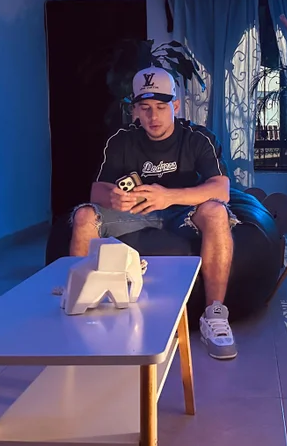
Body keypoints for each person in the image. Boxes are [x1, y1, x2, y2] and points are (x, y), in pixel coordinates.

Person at [69, 66, 239, 360]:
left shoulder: (198, 138)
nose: (153, 116)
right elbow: (96, 191)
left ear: (176, 106)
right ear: (135, 110)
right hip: (134, 214)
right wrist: (113, 197)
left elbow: (221, 188)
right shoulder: (121, 140)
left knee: (216, 211)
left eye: (161, 107)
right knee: (84, 216)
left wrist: (168, 196)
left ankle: (214, 314)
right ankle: (76, 305)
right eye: (145, 108)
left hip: (184, 213)